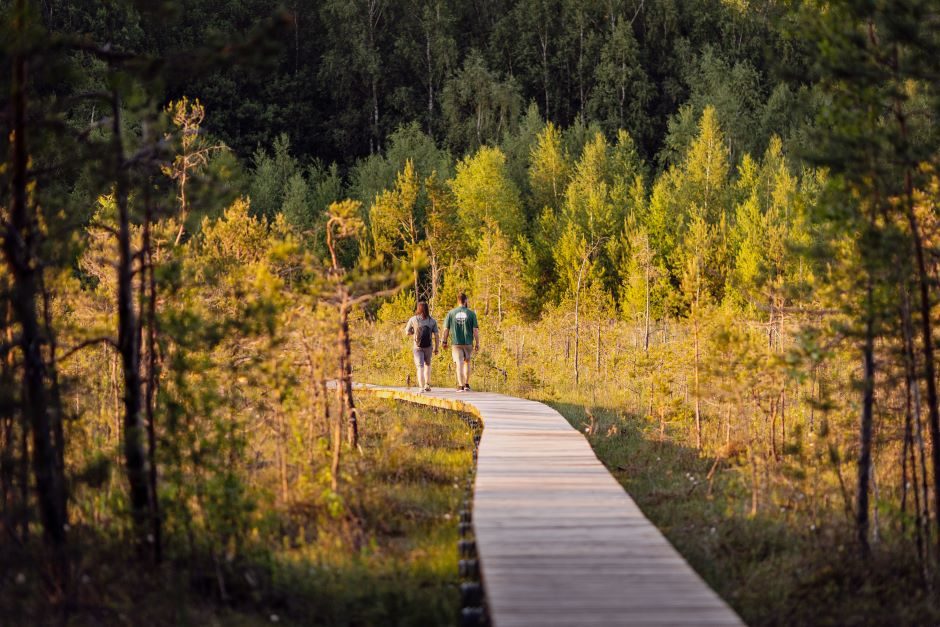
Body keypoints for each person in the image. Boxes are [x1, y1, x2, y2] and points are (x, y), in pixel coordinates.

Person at [442, 292, 479, 392]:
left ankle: (460, 386)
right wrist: (477, 343)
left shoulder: (451, 313)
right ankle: (467, 385)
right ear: (465, 300)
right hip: (468, 343)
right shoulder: (471, 314)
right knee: (467, 363)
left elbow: (446, 329)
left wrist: (444, 341)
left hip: (456, 343)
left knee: (459, 364)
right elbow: (475, 330)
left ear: (457, 301)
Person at [404, 301, 439, 392]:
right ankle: (427, 385)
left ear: (418, 309)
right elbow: (436, 335)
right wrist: (436, 348)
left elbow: (407, 332)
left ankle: (421, 387)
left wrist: (413, 332)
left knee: (420, 367)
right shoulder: (432, 321)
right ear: (427, 309)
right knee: (427, 365)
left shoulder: (413, 319)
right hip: (428, 346)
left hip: (417, 347)